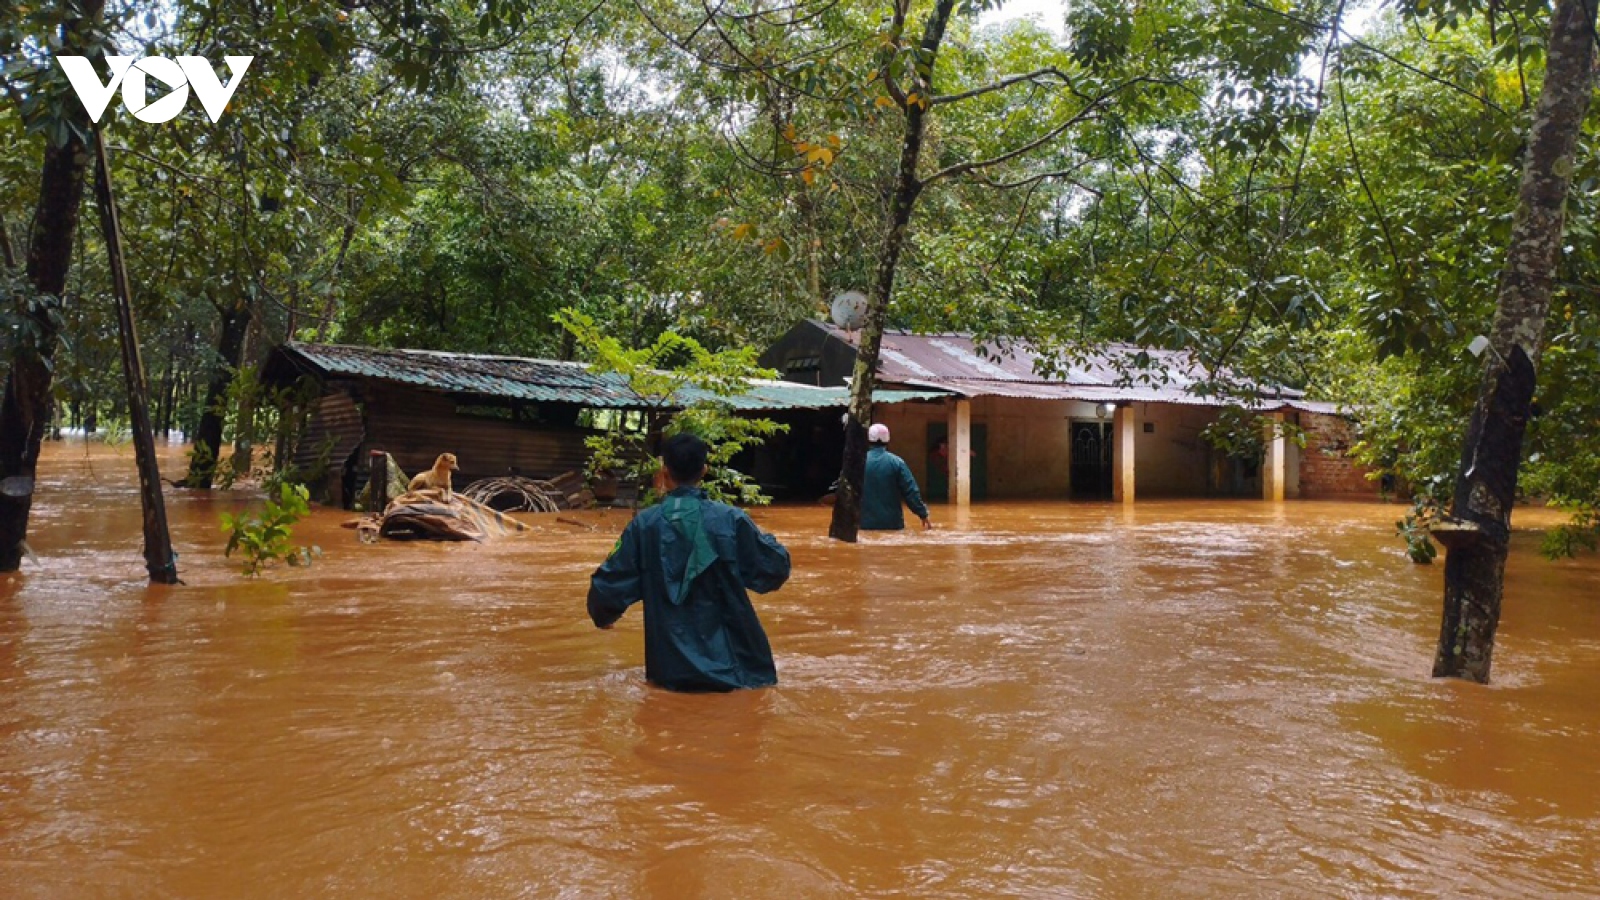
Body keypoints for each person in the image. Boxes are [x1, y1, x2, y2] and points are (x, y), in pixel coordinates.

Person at [587, 433, 791, 692]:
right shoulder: (731, 519)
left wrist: (604, 615)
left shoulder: (644, 525)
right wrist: (764, 538)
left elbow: (609, 584)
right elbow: (774, 568)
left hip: (671, 672)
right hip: (740, 670)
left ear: (664, 471)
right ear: (704, 470)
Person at [862, 423, 932, 531]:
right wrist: (923, 513)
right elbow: (911, 492)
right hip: (892, 524)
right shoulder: (897, 463)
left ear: (868, 439)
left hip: (863, 524)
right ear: (888, 440)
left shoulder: (857, 463)